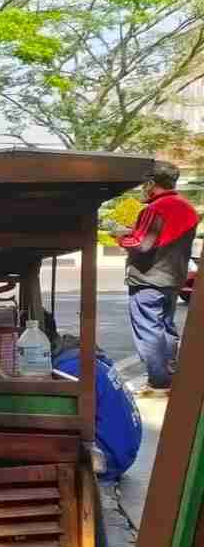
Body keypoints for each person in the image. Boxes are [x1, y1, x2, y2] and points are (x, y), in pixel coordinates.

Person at [112, 161, 199, 395]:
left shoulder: (156, 208)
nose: (143, 188)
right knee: (167, 329)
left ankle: (158, 383)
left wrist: (120, 236)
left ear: (152, 183)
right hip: (174, 278)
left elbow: (142, 244)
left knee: (148, 330)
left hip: (148, 280)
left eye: (145, 183)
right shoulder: (188, 208)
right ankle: (169, 378)